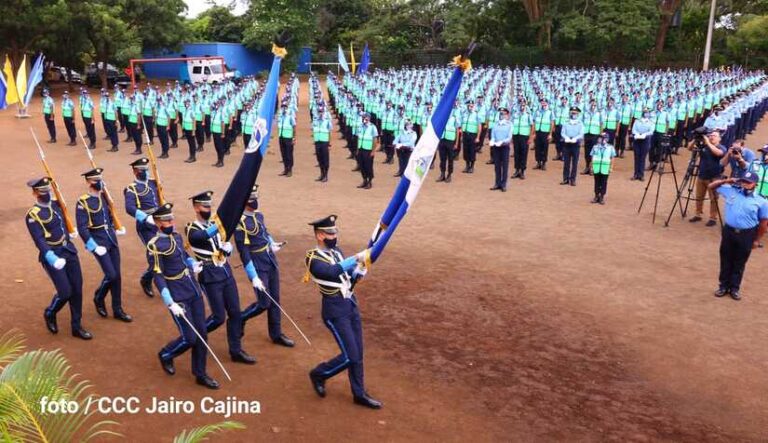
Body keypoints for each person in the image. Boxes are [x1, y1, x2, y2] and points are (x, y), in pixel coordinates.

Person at [305, 215, 381, 409]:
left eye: (335, 232)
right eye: (330, 233)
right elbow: (331, 272)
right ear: (320, 235)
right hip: (334, 311)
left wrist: (358, 271)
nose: (334, 236)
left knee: (358, 352)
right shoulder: (313, 258)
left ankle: (359, 393)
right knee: (350, 356)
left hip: (350, 305)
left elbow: (345, 275)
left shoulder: (337, 251)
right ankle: (319, 373)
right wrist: (355, 258)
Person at [148, 203, 219, 389]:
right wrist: (170, 302)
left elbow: (184, 255)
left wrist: (192, 263)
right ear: (158, 223)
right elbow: (158, 275)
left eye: (171, 219)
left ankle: (200, 373)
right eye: (167, 221)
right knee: (190, 337)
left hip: (193, 289)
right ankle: (166, 354)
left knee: (202, 333)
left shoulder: (177, 236)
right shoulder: (155, 245)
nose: (171, 223)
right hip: (177, 295)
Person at [184, 191, 255, 365]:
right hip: (209, 276)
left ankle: (236, 350)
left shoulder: (215, 224)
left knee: (236, 313)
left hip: (225, 272)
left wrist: (227, 248)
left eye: (210, 206)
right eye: (205, 206)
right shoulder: (192, 228)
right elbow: (202, 237)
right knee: (218, 317)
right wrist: (226, 220)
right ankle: (198, 337)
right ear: (196, 207)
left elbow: (219, 242)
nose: (208, 209)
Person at [25, 177, 92, 340]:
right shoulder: (33, 215)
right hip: (53, 255)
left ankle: (76, 326)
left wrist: (71, 232)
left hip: (69, 250)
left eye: (48, 190)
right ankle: (50, 312)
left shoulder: (57, 204)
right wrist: (52, 257)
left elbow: (64, 220)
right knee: (65, 292)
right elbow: (39, 240)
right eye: (42, 191)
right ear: (35, 193)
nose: (46, 193)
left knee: (77, 289)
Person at [234, 185, 294, 347]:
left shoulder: (259, 215)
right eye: (251, 199)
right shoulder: (240, 223)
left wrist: (272, 243)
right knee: (264, 302)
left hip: (269, 259)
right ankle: (242, 318)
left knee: (275, 299)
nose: (255, 201)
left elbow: (264, 232)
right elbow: (244, 252)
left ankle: (276, 334)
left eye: (255, 198)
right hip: (257, 264)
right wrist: (253, 276)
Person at [75, 168, 132, 322]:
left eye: (100, 179)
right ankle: (99, 297)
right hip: (98, 242)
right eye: (95, 180)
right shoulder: (83, 202)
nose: (98, 182)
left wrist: (116, 227)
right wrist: (93, 246)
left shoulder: (104, 197)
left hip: (111, 239)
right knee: (111, 275)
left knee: (117, 276)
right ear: (88, 182)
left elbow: (109, 215)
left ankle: (117, 309)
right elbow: (82, 228)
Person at [708, 172, 768, 300]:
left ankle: (734, 288)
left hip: (747, 234)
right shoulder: (731, 191)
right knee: (725, 259)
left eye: (748, 182)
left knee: (739, 262)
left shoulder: (762, 201)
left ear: (755, 184)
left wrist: (757, 240)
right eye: (743, 181)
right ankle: (723, 286)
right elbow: (711, 186)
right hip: (729, 232)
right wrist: (727, 180)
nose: (745, 184)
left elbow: (763, 223)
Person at [124, 157, 160, 297]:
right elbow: (129, 208)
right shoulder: (131, 189)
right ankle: (147, 279)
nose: (145, 172)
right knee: (155, 254)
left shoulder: (153, 183)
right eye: (141, 170)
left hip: (160, 222)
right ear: (135, 171)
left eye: (146, 169)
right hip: (145, 226)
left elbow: (159, 199)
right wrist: (145, 217)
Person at [688, 129, 726, 227]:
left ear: (719, 138)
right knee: (699, 196)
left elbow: (719, 153)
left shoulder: (721, 147)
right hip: (702, 175)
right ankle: (698, 214)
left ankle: (713, 218)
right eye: (710, 135)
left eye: (714, 135)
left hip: (714, 177)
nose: (711, 137)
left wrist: (708, 142)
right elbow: (689, 148)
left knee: (714, 198)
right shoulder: (703, 146)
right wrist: (695, 139)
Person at [590, 133, 617, 205]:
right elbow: (592, 157)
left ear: (606, 139)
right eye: (599, 138)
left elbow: (612, 158)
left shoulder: (610, 147)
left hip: (605, 168)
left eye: (601, 138)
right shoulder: (595, 147)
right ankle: (596, 195)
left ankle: (602, 196)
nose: (599, 139)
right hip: (596, 167)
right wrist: (592, 167)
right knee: (596, 182)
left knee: (604, 182)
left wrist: (611, 167)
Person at [560, 107, 584, 187]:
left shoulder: (580, 123)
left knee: (575, 163)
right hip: (567, 143)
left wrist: (575, 138)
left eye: (575, 113)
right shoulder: (566, 122)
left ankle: (573, 179)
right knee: (566, 162)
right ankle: (565, 179)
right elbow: (563, 132)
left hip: (576, 144)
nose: (573, 114)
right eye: (572, 113)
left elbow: (581, 134)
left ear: (578, 114)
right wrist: (566, 138)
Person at [489, 107, 512, 192]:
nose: (502, 115)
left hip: (505, 147)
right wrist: (492, 140)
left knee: (505, 166)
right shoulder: (496, 124)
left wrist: (502, 142)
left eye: (504, 114)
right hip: (496, 146)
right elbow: (493, 134)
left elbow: (509, 137)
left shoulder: (509, 124)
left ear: (507, 115)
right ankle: (497, 183)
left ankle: (503, 184)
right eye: (501, 114)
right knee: (497, 166)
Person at [437, 103, 461, 183]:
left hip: (450, 140)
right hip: (442, 139)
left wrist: (456, 143)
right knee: (442, 158)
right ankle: (442, 174)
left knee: (450, 159)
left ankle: (449, 175)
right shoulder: (443, 116)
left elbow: (457, 131)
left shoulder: (454, 117)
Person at [511, 102, 534, 179]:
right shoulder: (515, 114)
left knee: (524, 153)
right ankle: (517, 170)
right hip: (516, 135)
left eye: (523, 105)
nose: (522, 107)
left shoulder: (528, 115)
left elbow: (532, 126)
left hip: (524, 136)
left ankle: (522, 171)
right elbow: (511, 125)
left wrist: (530, 137)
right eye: (521, 105)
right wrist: (511, 136)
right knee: (516, 153)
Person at [630, 108, 654, 181]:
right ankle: (635, 174)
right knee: (637, 157)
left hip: (645, 140)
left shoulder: (651, 122)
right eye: (645, 112)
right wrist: (638, 134)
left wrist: (644, 134)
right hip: (637, 139)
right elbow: (633, 130)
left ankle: (641, 175)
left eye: (647, 112)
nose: (646, 114)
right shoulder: (637, 121)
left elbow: (651, 131)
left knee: (643, 158)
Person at [357, 113, 379, 189]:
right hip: (361, 148)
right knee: (361, 166)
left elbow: (375, 139)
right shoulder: (360, 126)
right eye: (363, 117)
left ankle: (369, 182)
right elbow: (358, 138)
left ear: (369, 118)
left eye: (365, 117)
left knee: (368, 166)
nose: (364, 119)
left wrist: (373, 151)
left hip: (368, 150)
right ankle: (364, 180)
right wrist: (357, 149)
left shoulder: (372, 127)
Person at [312, 104, 332, 182]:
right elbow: (313, 129)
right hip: (317, 141)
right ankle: (321, 173)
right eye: (319, 111)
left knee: (325, 159)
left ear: (323, 112)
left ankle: (325, 175)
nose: (320, 113)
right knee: (319, 158)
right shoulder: (315, 120)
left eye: (321, 111)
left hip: (324, 142)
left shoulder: (327, 120)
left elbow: (329, 132)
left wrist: (329, 143)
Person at [461, 100, 482, 173]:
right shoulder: (464, 113)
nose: (470, 107)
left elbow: (479, 126)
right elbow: (462, 124)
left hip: (473, 135)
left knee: (472, 151)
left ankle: (472, 167)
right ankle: (467, 166)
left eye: (472, 106)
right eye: (469, 105)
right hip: (465, 134)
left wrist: (478, 137)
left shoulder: (476, 114)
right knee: (466, 150)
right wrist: (462, 135)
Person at [533, 99, 554, 171]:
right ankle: (538, 162)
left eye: (545, 103)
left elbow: (552, 123)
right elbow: (534, 122)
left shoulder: (550, 112)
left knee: (545, 148)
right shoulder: (537, 111)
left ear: (547, 104)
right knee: (537, 147)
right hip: (538, 131)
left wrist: (550, 134)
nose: (543, 104)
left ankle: (544, 163)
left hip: (545, 132)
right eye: (542, 103)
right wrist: (534, 133)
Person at [277, 104, 296, 177]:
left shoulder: (290, 115)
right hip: (281, 136)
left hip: (288, 137)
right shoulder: (280, 115)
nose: (284, 108)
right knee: (283, 154)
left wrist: (293, 137)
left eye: (285, 106)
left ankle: (290, 170)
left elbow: (294, 126)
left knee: (289, 154)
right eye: (282, 106)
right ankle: (285, 169)